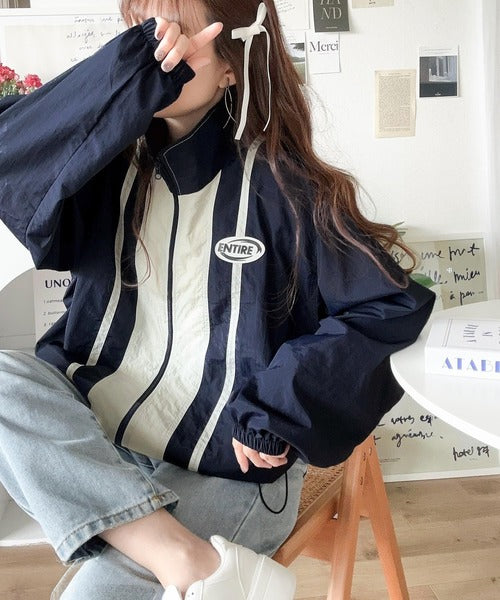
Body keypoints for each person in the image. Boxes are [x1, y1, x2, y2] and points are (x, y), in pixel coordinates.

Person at [0, 1, 435, 599]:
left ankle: (173, 555)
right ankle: (190, 562)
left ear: (231, 64)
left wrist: (280, 408)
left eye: (175, 34)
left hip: (227, 470)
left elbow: (390, 308)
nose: (157, 50)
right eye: (141, 34)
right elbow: (9, 161)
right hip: (100, 449)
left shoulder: (287, 188)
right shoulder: (102, 175)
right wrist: (124, 76)